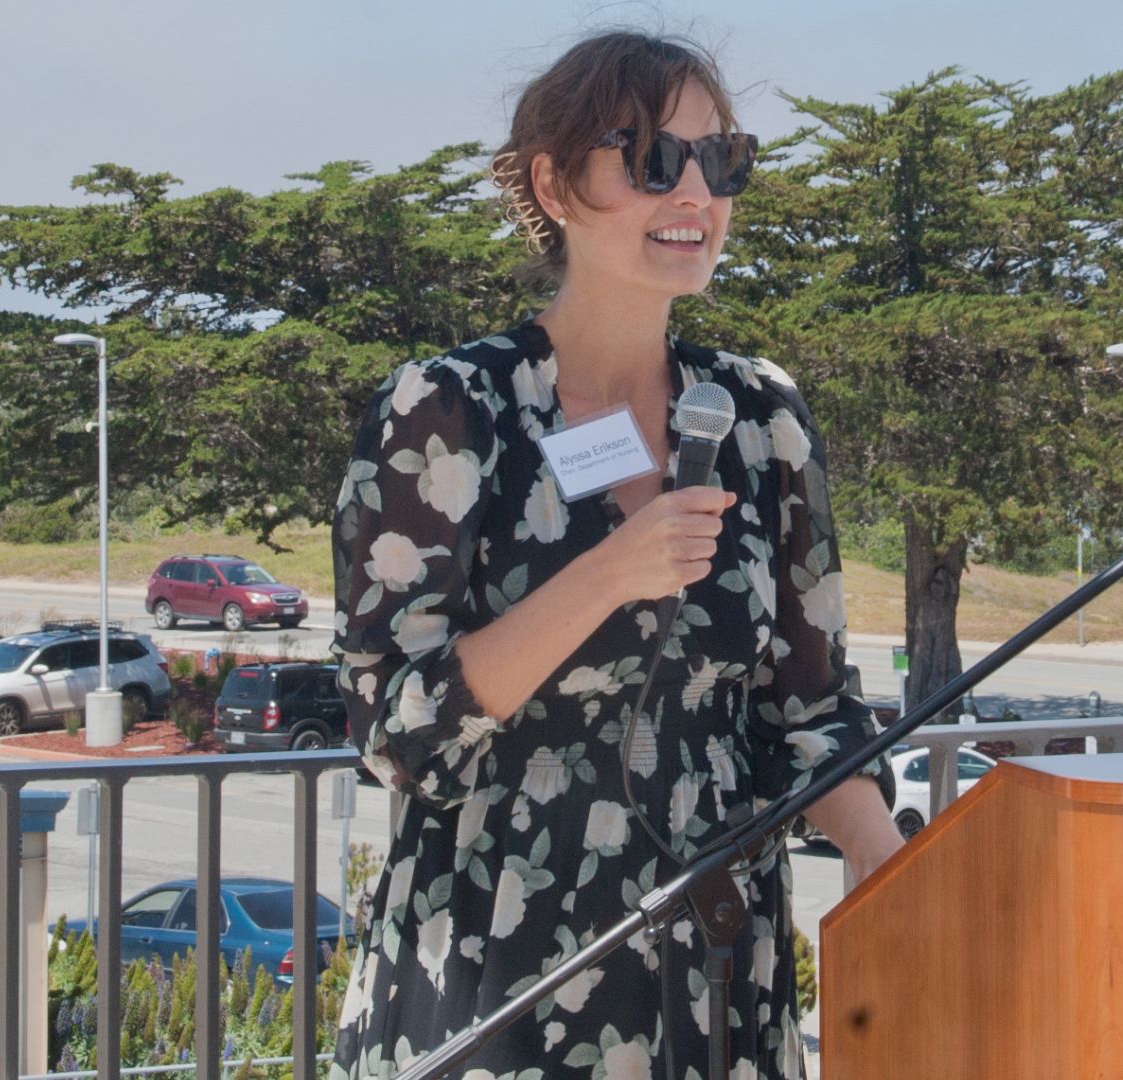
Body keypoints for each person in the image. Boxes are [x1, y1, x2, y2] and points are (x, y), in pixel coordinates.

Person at [328, 30, 904, 1080]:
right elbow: (394, 733)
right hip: (493, 969)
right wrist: (607, 574)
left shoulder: (759, 416)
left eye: (719, 159)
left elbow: (809, 710)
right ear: (553, 184)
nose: (694, 192)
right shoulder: (451, 410)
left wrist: (890, 864)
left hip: (716, 974)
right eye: (649, 159)